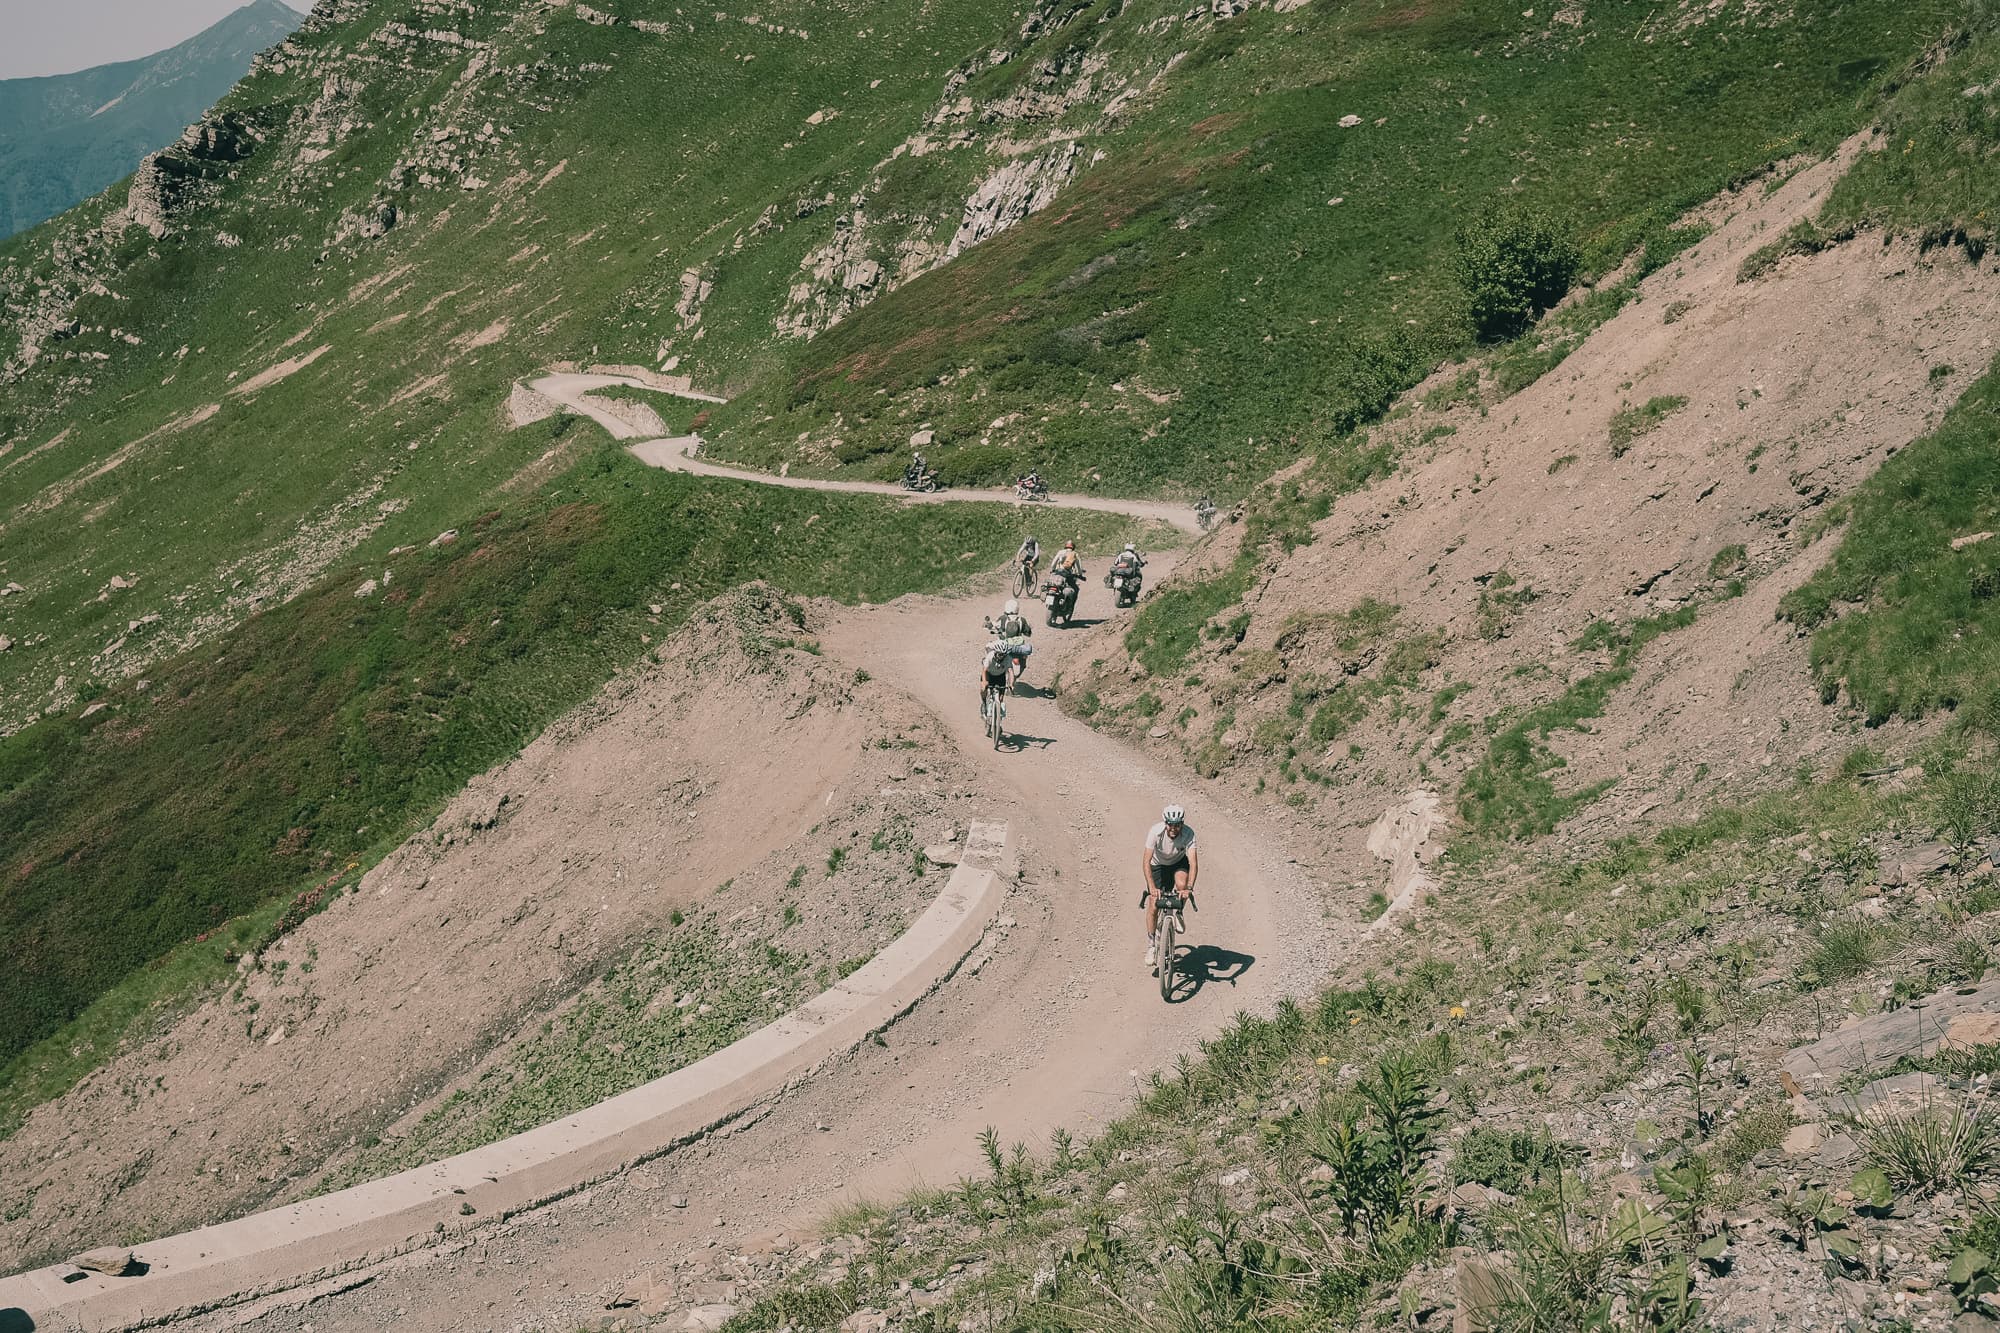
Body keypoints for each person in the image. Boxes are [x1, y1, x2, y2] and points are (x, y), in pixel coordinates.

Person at [1139, 804, 1197, 974]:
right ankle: (1151, 945)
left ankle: (1178, 913)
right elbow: (1146, 861)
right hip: (1158, 865)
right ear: (1165, 823)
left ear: (1182, 823)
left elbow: (1193, 863)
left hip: (1178, 863)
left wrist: (1189, 888)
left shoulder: (1189, 834)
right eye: (1170, 824)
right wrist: (1151, 887)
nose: (1173, 828)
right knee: (1153, 903)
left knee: (1181, 886)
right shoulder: (1155, 832)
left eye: (1177, 824)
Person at [989, 598, 1033, 687]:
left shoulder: (1003, 618)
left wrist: (990, 626)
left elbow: (994, 626)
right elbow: (1028, 633)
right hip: (1017, 648)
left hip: (1004, 646)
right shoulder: (1022, 620)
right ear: (1017, 609)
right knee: (1023, 662)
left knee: (992, 654)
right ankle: (1013, 680)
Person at [977, 638, 1012, 717]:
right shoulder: (990, 656)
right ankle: (984, 703)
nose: (1001, 656)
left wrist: (1011, 684)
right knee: (983, 688)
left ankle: (998, 720)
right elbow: (984, 670)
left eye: (1004, 654)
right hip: (988, 675)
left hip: (1000, 676)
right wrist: (985, 681)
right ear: (996, 652)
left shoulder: (1008, 658)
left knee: (1001, 699)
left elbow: (1011, 671)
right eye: (1000, 654)